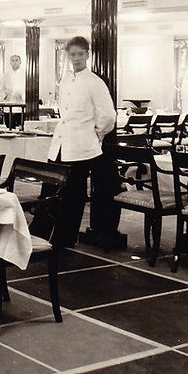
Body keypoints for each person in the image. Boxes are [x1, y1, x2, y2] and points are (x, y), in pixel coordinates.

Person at [44, 36, 122, 249]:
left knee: (73, 195)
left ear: (87, 55)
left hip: (82, 147)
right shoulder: (66, 80)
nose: (76, 58)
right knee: (51, 190)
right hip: (61, 143)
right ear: (67, 56)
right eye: (72, 54)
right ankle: (42, 236)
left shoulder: (95, 82)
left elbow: (108, 116)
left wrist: (95, 134)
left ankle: (64, 240)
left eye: (80, 54)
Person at [3, 54, 25, 128]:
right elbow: (1, 90)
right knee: (9, 127)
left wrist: (21, 94)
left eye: (16, 60)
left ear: (20, 62)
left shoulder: (25, 74)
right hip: (9, 104)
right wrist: (5, 94)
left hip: (20, 104)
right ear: (10, 63)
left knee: (20, 128)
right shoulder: (6, 75)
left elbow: (28, 89)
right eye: (12, 60)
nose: (14, 62)